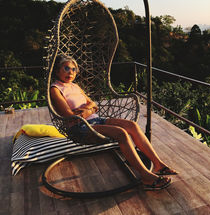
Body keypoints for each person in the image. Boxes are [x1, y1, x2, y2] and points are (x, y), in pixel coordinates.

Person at [50, 54, 177, 190]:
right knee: (121, 133)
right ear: (57, 70)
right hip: (79, 128)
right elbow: (72, 117)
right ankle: (146, 176)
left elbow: (93, 104)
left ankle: (158, 164)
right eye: (66, 68)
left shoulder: (75, 86)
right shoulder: (55, 89)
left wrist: (86, 110)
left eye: (73, 69)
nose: (71, 72)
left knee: (131, 125)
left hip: (95, 120)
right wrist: (89, 109)